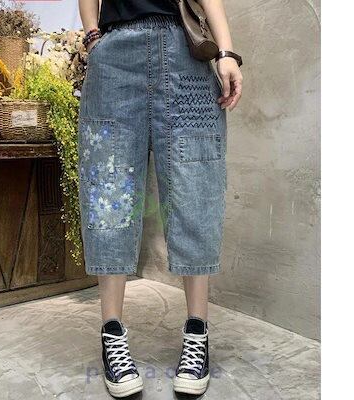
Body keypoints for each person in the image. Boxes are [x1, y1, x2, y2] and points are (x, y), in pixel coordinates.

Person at [78, 0, 243, 396]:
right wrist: (93, 38)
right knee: (109, 192)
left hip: (184, 52)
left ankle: (197, 332)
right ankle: (112, 333)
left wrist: (225, 51)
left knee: (194, 187)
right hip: (114, 56)